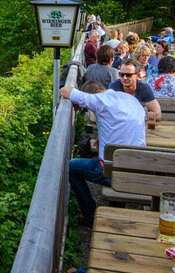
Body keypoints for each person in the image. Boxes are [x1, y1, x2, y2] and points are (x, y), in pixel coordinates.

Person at [60, 84, 146, 227]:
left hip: (113, 173)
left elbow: (64, 90)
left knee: (71, 167)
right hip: (138, 170)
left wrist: (77, 101)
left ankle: (91, 218)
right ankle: (116, 210)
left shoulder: (98, 100)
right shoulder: (130, 99)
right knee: (115, 162)